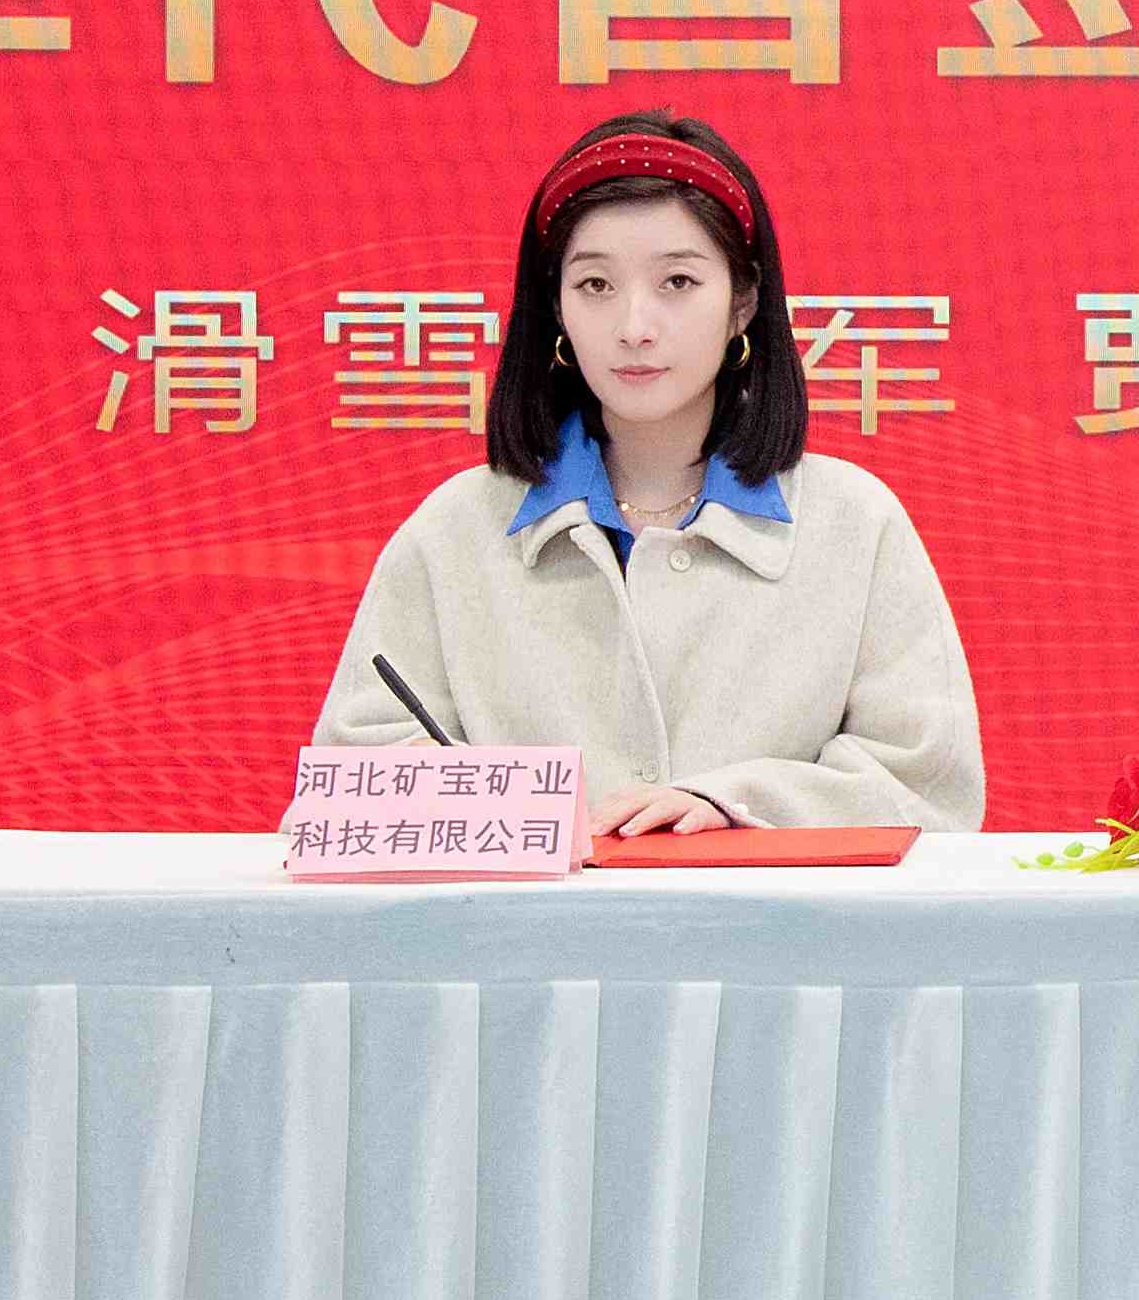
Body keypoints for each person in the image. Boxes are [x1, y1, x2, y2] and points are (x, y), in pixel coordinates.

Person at [315, 110, 986, 832]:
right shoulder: (455, 530)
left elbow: (928, 790)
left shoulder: (854, 523)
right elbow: (350, 791)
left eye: (677, 281)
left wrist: (736, 807)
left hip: (773, 913)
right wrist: (523, 818)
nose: (634, 327)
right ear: (555, 305)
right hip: (528, 913)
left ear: (743, 302)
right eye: (595, 285)